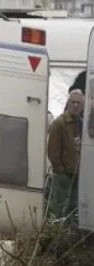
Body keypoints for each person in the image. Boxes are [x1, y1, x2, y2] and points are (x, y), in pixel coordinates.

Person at [47, 89, 84, 224]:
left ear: (82, 106)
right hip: (64, 174)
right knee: (58, 207)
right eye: (73, 102)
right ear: (68, 103)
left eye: (78, 103)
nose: (75, 105)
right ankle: (55, 232)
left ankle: (68, 233)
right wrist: (60, 170)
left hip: (76, 173)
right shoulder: (59, 123)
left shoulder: (82, 123)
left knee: (72, 208)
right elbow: (52, 150)